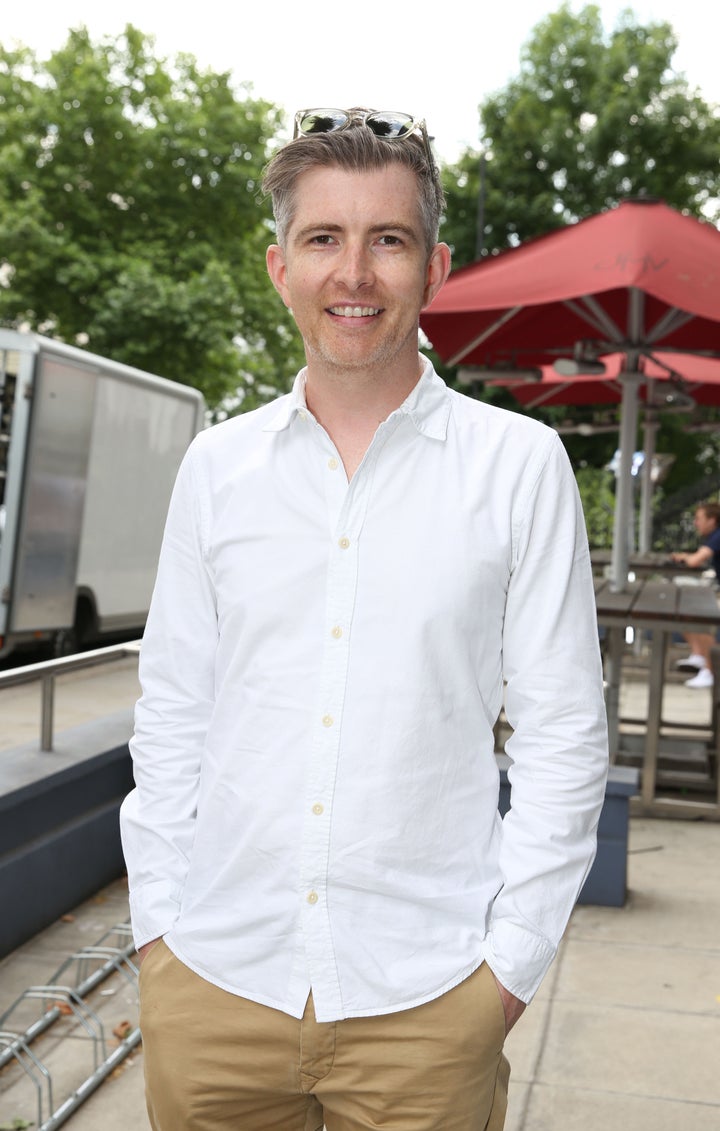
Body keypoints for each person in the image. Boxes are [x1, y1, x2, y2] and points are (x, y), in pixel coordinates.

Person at [120, 106, 609, 1131]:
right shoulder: (218, 471)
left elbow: (565, 736)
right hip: (214, 982)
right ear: (278, 268)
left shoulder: (519, 469)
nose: (354, 273)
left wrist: (508, 970)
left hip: (429, 1002)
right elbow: (172, 710)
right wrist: (157, 930)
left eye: (387, 239)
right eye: (323, 239)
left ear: (433, 270)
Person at [671, 501, 720, 689]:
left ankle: (709, 670)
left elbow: (695, 561)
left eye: (699, 518)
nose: (696, 523)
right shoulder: (713, 536)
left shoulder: (717, 535)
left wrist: (685, 558)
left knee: (704, 615)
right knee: (684, 601)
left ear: (712, 520)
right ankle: (700, 656)